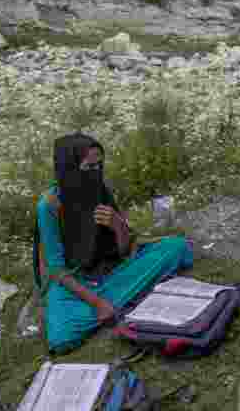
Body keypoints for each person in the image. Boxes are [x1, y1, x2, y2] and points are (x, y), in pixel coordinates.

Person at [35, 132, 193, 355]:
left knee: (177, 247)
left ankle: (115, 300)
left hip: (111, 271)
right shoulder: (49, 206)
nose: (95, 173)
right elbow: (57, 271)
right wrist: (98, 304)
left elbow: (122, 252)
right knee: (62, 337)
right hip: (77, 283)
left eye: (99, 166)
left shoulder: (100, 189)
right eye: (88, 168)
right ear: (69, 169)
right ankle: (122, 299)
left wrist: (118, 226)